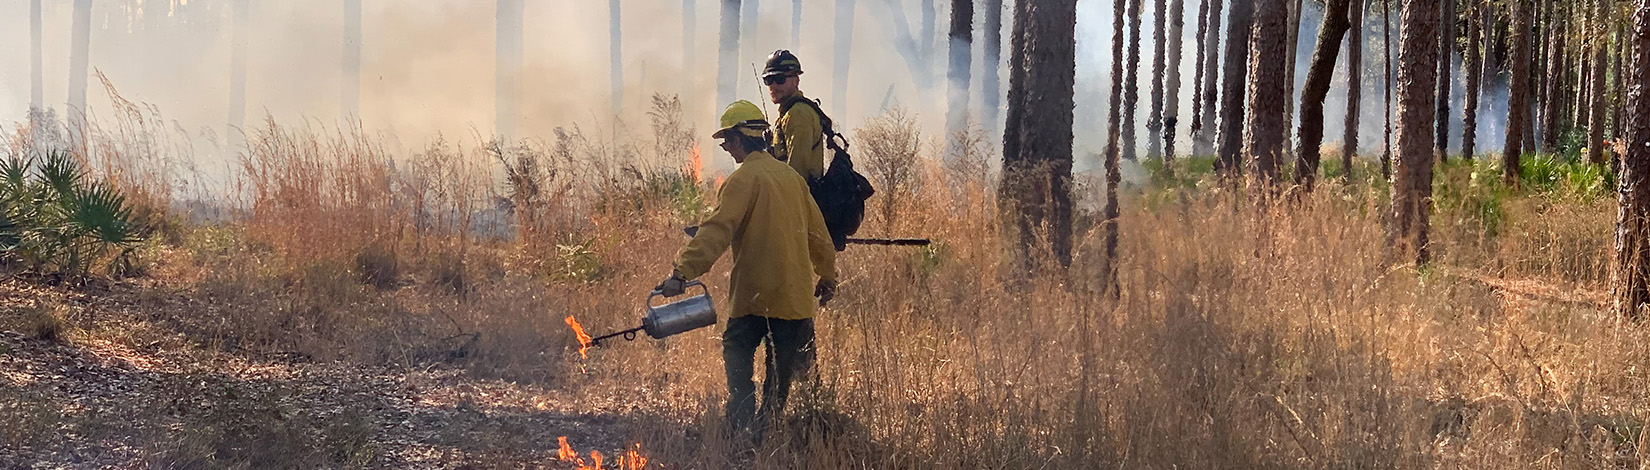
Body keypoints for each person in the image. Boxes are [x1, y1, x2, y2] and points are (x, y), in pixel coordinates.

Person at [656, 100, 838, 442]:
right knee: (780, 374)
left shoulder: (743, 180)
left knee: (737, 349)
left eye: (728, 139)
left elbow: (716, 230)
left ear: (741, 138)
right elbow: (820, 237)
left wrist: (681, 274)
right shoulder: (792, 179)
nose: (725, 146)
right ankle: (766, 432)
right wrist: (828, 276)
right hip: (794, 300)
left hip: (754, 297)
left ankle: (740, 426)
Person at [761, 50, 827, 180]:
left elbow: (797, 172)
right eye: (768, 80)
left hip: (799, 196)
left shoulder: (798, 114)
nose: (773, 85)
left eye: (779, 79)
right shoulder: (787, 114)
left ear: (796, 80)